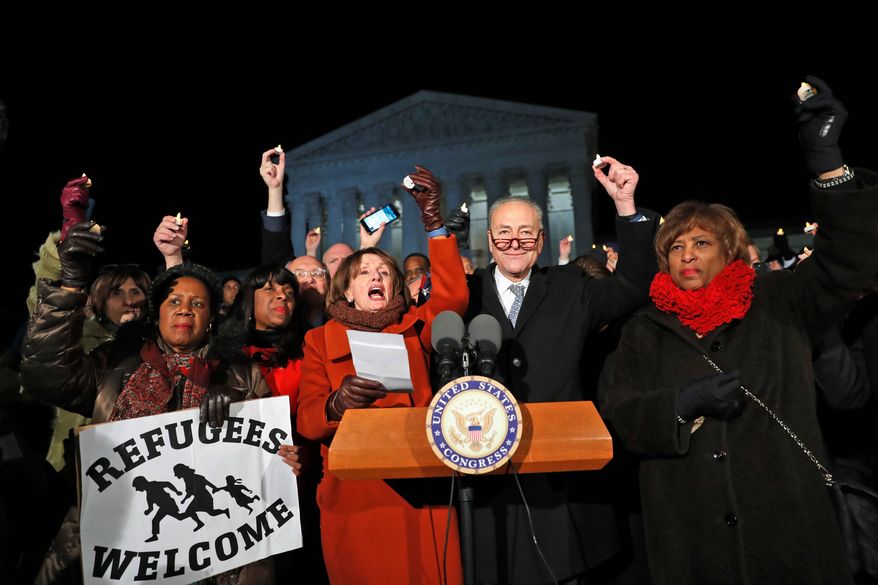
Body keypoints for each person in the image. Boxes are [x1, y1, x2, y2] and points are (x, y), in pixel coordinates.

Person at [598, 76, 877, 585]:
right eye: (676, 247)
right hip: (691, 540)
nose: (687, 255)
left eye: (702, 244)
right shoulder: (645, 328)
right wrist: (679, 405)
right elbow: (621, 415)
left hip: (788, 531)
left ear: (728, 251)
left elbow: (851, 263)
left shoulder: (780, 299)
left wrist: (829, 167)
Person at [461, 155, 659, 584]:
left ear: (540, 240)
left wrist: (626, 205)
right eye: (505, 233)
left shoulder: (572, 288)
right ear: (491, 241)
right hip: (488, 486)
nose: (515, 242)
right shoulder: (463, 294)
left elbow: (633, 286)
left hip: (562, 481)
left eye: (525, 233)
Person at [21, 251, 274, 584]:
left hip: (213, 557)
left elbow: (273, 460)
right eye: (174, 301)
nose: (185, 309)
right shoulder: (113, 362)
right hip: (113, 547)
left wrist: (239, 405)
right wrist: (69, 286)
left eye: (198, 304)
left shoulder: (241, 374)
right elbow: (44, 375)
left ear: (212, 318)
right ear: (156, 315)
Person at [297, 165, 467, 585]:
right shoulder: (320, 340)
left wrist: (433, 223)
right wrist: (338, 403)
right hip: (358, 495)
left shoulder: (414, 327)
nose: (375, 276)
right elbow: (307, 418)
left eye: (384, 272)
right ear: (347, 289)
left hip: (421, 486)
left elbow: (452, 297)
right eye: (363, 273)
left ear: (395, 288)